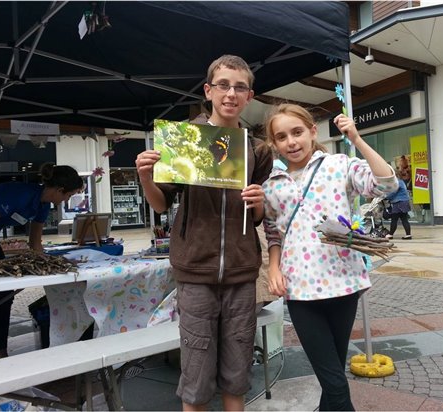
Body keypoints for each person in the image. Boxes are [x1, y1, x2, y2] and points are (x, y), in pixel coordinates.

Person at [135, 55, 272, 411]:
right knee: (195, 371)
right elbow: (162, 205)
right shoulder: (184, 140)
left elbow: (256, 217)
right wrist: (146, 177)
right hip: (195, 271)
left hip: (241, 272)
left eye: (240, 87)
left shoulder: (257, 150)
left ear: (250, 95)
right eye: (223, 85)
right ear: (208, 91)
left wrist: (258, 201)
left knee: (238, 368)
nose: (231, 94)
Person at [262, 104, 398, 411]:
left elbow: (387, 184)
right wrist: (273, 268)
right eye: (281, 137)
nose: (291, 142)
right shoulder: (272, 184)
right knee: (335, 381)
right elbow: (273, 232)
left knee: (332, 374)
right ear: (274, 144)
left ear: (312, 132)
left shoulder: (339, 165)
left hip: (343, 284)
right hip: (299, 289)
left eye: (297, 132)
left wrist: (357, 140)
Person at [0, 163, 84, 359]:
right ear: (60, 190)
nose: (67, 200)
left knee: (4, 294)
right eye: (68, 196)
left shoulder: (42, 205)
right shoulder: (19, 193)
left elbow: (35, 244)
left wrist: (52, 265)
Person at [385, 171, 412, 240]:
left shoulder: (398, 183)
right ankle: (408, 235)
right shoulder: (401, 182)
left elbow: (393, 192)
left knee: (394, 219)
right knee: (404, 219)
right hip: (404, 202)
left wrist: (386, 197)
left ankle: (390, 234)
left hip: (399, 203)